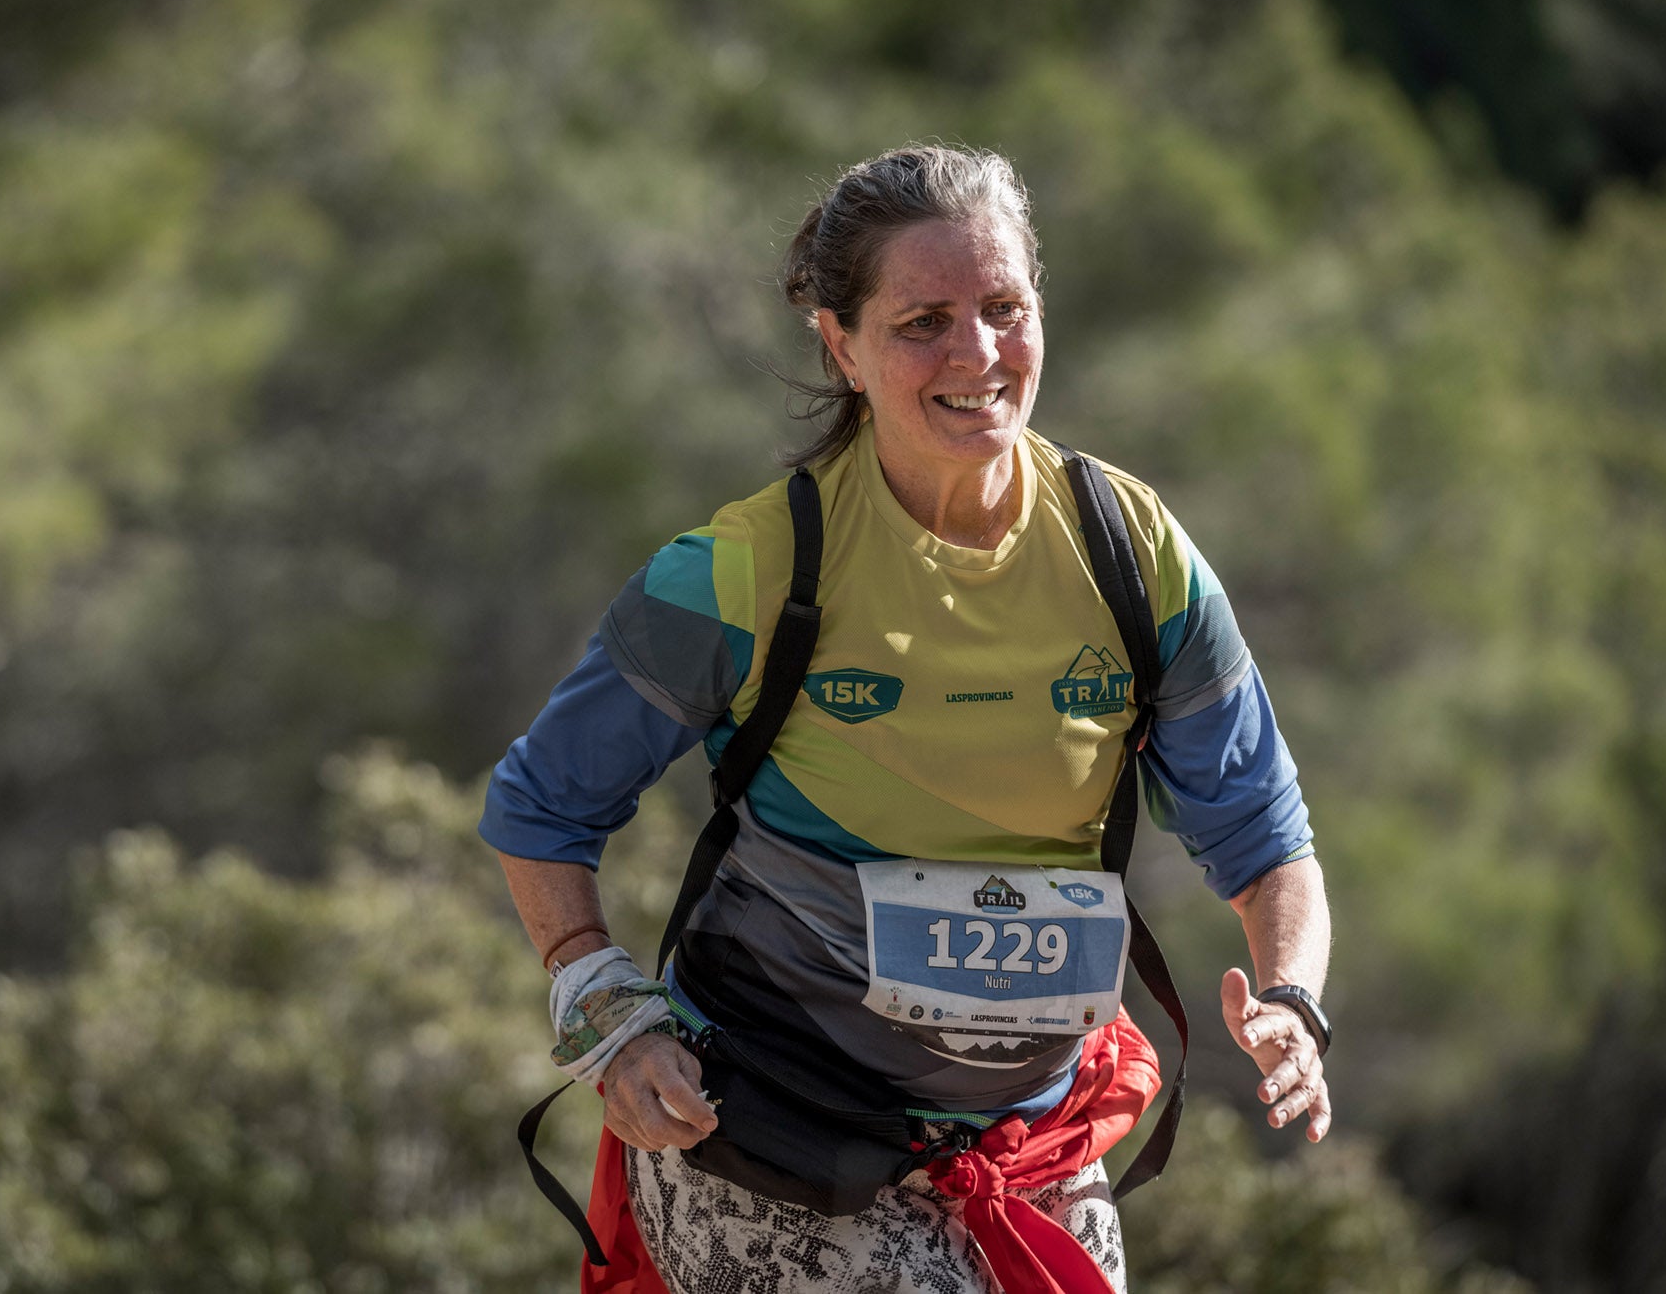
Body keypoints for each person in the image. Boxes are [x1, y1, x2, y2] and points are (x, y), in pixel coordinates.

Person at [482, 145, 1331, 1293]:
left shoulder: (1133, 555)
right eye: (922, 320)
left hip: (1031, 1145)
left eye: (1002, 308)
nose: (975, 354)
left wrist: (1287, 995)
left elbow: (1265, 836)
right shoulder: (743, 570)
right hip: (768, 1131)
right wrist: (602, 1006)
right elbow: (540, 806)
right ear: (839, 342)